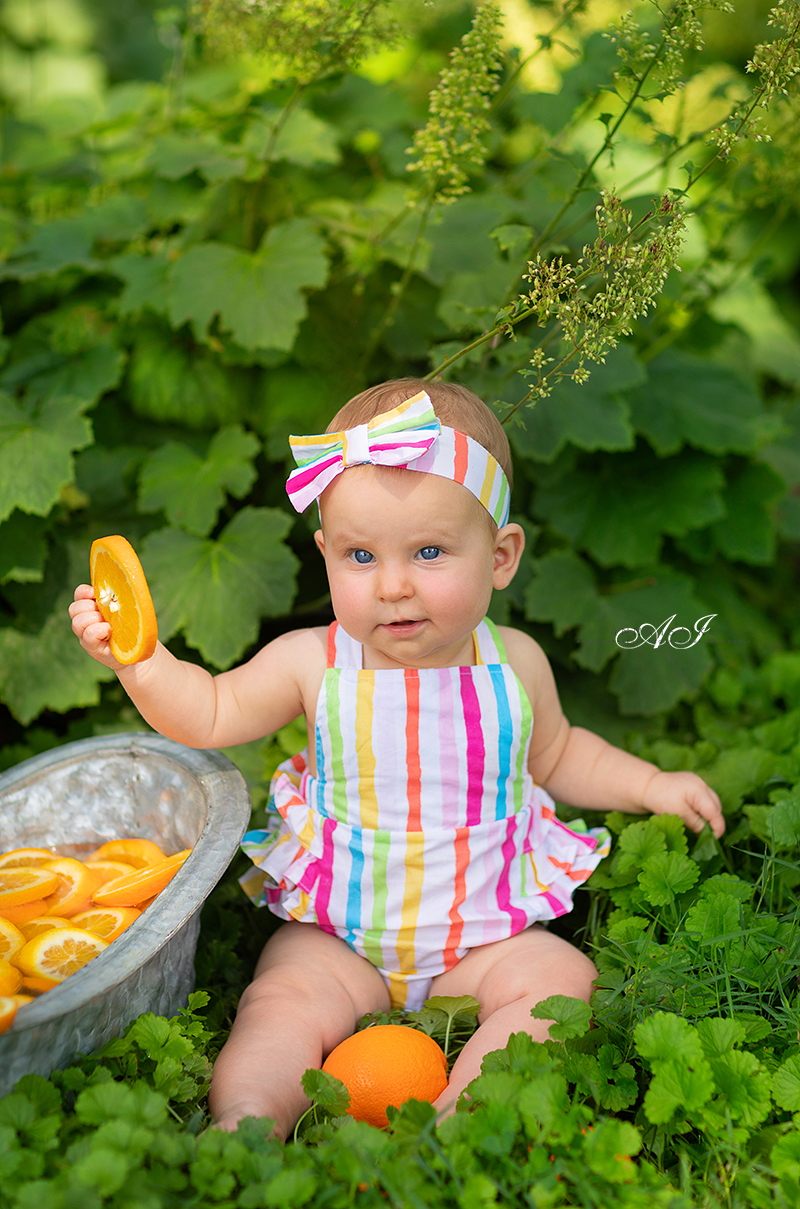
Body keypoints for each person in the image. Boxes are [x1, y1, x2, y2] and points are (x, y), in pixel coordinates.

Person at [69, 378, 725, 1139]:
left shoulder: (516, 665)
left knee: (560, 981)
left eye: (429, 551)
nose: (393, 585)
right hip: (342, 931)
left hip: (482, 931)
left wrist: (649, 782)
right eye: (359, 554)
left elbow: (561, 751)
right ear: (325, 555)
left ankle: (461, 1117)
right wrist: (141, 663)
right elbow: (210, 710)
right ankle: (249, 1121)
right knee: (281, 996)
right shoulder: (312, 662)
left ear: (501, 555)